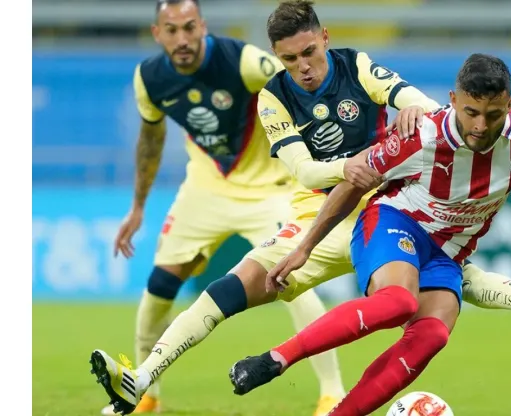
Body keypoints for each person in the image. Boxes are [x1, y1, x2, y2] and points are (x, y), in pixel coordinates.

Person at [89, 2, 511, 414]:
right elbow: (305, 172)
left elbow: (429, 109)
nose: (303, 67)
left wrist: (414, 107)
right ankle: (143, 378)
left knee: (441, 282)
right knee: (233, 288)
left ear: (324, 38)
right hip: (319, 217)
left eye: (309, 52)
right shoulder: (272, 99)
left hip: (395, 209)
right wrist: (356, 165)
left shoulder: (357, 66)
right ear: (278, 58)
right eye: (290, 59)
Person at [228, 52, 511, 415]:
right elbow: (354, 181)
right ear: (452, 99)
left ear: (510, 104)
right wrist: (305, 247)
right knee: (398, 302)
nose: (480, 127)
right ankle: (274, 359)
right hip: (393, 224)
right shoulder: (422, 135)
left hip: (448, 254)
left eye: (493, 114)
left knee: (431, 336)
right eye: (470, 112)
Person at [96, 1, 344, 414]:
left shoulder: (243, 62)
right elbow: (151, 140)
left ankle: (332, 393)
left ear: (203, 27)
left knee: (293, 281)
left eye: (189, 28)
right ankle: (145, 395)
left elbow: (299, 88)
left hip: (270, 187)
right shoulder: (150, 79)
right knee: (159, 288)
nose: (182, 39)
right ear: (157, 34)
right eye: (171, 30)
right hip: (206, 189)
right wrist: (138, 207)